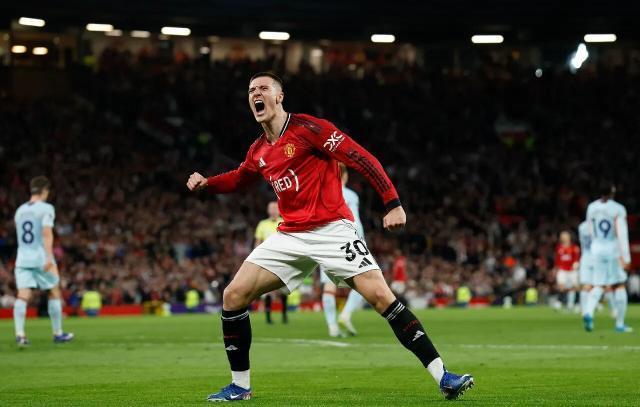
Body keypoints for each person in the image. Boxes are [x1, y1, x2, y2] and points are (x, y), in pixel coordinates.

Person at [187, 72, 473, 401]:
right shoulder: (259, 150)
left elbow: (361, 157)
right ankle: (240, 386)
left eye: (264, 88)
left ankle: (443, 376)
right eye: (251, 90)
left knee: (382, 298)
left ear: (279, 97)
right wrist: (209, 184)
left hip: (332, 230)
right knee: (233, 295)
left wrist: (392, 202)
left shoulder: (310, 128)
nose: (256, 94)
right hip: (290, 234)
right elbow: (240, 178)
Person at [13, 176, 74, 346]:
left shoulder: (20, 210)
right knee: (53, 291)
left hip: (22, 259)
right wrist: (48, 257)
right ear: (44, 191)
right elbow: (46, 233)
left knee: (22, 295)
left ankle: (20, 334)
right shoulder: (46, 208)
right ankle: (58, 333)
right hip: (40, 258)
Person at [320, 163, 366, 337]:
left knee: (329, 286)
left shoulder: (321, 194)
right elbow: (355, 221)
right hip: (349, 242)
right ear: (344, 176)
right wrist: (361, 241)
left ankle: (332, 327)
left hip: (326, 243)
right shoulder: (351, 195)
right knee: (365, 280)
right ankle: (346, 314)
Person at [582, 184, 632, 333]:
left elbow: (590, 229)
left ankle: (588, 312)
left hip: (597, 249)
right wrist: (626, 257)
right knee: (619, 285)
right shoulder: (618, 209)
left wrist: (595, 246)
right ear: (612, 193)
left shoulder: (591, 207)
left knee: (598, 284)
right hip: (613, 250)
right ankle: (620, 324)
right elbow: (622, 234)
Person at [254, 201, 288, 324]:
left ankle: (284, 314)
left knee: (284, 289)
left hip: (282, 259)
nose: (273, 210)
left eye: (275, 208)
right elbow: (257, 242)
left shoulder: (285, 222)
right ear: (268, 210)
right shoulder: (262, 224)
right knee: (267, 289)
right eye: (271, 208)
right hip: (267, 260)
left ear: (279, 210)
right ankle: (268, 317)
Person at [553, 231, 580, 311]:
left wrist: (576, 264)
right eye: (562, 236)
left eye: (565, 236)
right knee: (561, 286)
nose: (563, 238)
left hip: (572, 270)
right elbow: (557, 259)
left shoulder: (574, 247)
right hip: (562, 270)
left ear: (569, 237)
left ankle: (577, 303)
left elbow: (577, 258)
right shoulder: (559, 248)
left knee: (575, 287)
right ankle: (559, 302)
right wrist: (556, 268)